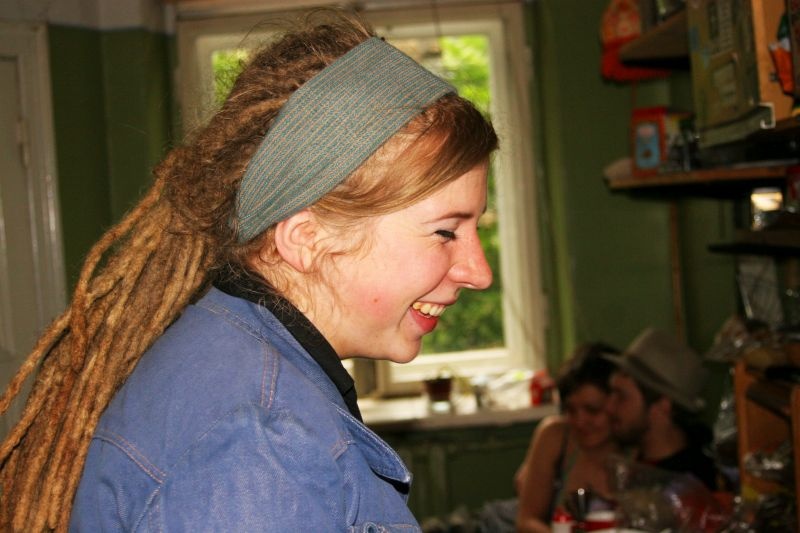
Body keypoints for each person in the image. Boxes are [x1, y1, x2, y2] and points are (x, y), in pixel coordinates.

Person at [0, 12, 498, 531]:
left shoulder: (239, 371)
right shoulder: (257, 445)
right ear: (307, 239)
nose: (479, 273)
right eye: (446, 231)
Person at [515, 343, 622, 533]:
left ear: (618, 404)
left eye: (592, 410)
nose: (580, 421)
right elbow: (527, 521)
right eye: (571, 410)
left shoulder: (637, 446)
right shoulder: (555, 436)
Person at [604, 327, 721, 492]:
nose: (609, 407)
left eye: (622, 397)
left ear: (663, 405)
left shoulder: (687, 487)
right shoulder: (636, 466)